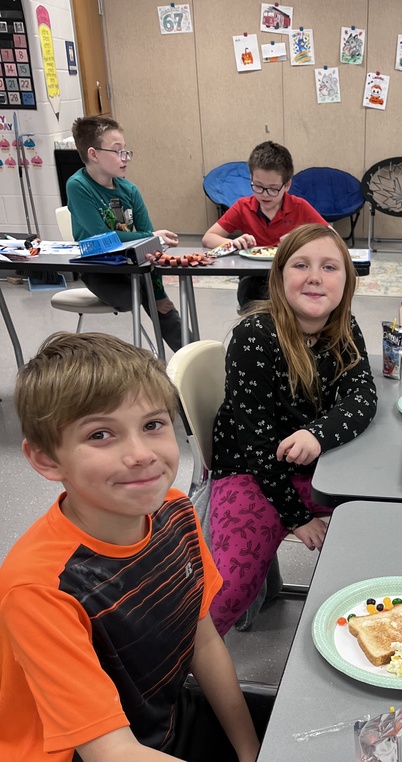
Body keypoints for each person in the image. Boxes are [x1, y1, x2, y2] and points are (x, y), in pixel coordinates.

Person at [0, 332, 402, 762]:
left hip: (158, 726)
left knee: (332, 734)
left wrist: (252, 754)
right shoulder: (39, 587)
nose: (140, 453)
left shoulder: (175, 513)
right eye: (102, 434)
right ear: (44, 459)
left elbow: (199, 635)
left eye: (153, 425)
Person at [209, 223, 377, 636]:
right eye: (301, 265)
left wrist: (318, 434)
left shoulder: (344, 327)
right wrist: (298, 519)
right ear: (280, 275)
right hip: (252, 470)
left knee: (386, 529)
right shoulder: (254, 336)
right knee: (227, 590)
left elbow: (362, 397)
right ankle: (178, 666)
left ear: (346, 281)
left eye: (329, 267)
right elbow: (256, 445)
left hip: (319, 466)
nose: (315, 277)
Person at [67, 116, 183, 353]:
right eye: (117, 151)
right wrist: (150, 235)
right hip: (99, 268)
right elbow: (103, 238)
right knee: (138, 291)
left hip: (134, 266)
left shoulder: (129, 190)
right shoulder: (78, 186)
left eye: (126, 151)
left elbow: (151, 245)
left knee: (159, 301)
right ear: (93, 154)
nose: (125, 158)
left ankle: (195, 359)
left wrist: (160, 293)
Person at [202, 141, 326, 309]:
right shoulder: (243, 207)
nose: (265, 195)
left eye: (273, 189)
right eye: (258, 187)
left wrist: (299, 239)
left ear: (287, 185)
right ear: (251, 179)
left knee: (297, 299)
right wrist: (233, 244)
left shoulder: (299, 207)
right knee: (251, 294)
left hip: (289, 275)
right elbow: (208, 238)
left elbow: (329, 235)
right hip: (253, 277)